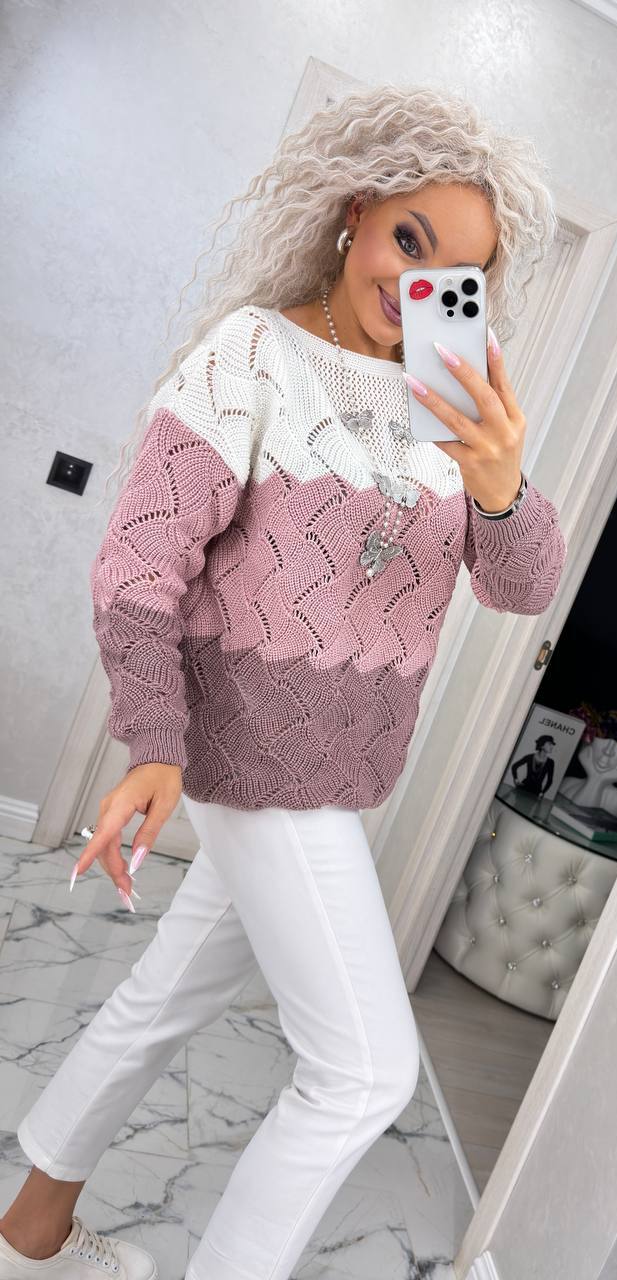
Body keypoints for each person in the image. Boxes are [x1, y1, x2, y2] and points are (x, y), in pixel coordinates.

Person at [0, 82, 567, 1280]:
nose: (416, 282)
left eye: (454, 271)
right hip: (251, 751)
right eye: (408, 238)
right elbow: (140, 562)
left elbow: (521, 587)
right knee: (364, 1071)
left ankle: (28, 1233)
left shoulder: (450, 397)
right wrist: (154, 736)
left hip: (334, 769)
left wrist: (503, 483)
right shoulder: (255, 353)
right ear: (356, 213)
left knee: (166, 991)